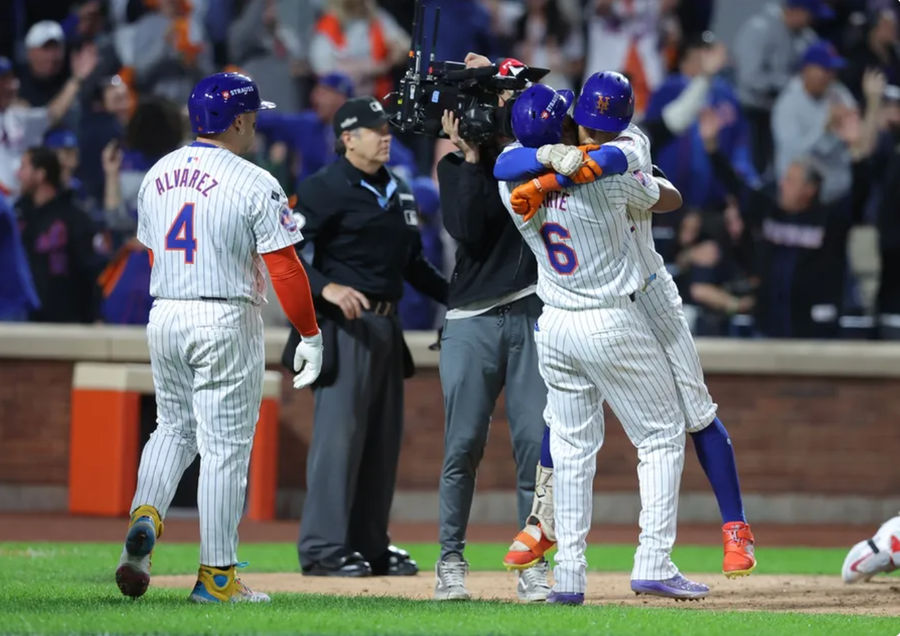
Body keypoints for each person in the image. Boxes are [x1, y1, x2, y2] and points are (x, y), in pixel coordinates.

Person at [495, 85, 758, 587]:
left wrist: (559, 170)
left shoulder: (611, 152)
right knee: (651, 432)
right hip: (613, 308)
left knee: (657, 418)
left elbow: (661, 190)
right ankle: (632, 555)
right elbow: (662, 195)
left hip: (602, 305)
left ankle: (571, 571)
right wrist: (564, 166)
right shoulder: (595, 175)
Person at [114, 72, 323, 604]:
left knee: (172, 429)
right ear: (236, 120)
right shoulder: (254, 180)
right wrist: (309, 333)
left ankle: (146, 514)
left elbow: (155, 252)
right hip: (225, 316)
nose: (255, 121)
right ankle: (217, 579)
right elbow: (286, 270)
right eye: (251, 113)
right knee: (225, 450)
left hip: (166, 313)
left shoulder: (156, 173)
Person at [287, 96, 447, 577]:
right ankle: (321, 547)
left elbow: (413, 264)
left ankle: (370, 545)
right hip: (343, 329)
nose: (385, 136)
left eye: (387, 128)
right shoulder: (322, 187)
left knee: (380, 441)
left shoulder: (398, 188)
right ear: (346, 138)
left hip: (387, 325)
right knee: (339, 441)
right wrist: (327, 287)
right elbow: (286, 254)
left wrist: (462, 295)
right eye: (374, 129)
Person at [432, 94, 548, 600]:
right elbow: (468, 230)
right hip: (472, 319)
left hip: (530, 313)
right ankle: (450, 558)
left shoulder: (533, 160)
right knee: (462, 446)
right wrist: (474, 158)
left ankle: (533, 562)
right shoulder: (457, 167)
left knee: (534, 448)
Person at [702, 106, 849, 338]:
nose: (783, 184)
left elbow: (860, 190)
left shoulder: (829, 221)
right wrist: (712, 146)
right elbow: (735, 185)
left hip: (813, 333)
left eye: (791, 181)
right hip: (767, 327)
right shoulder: (769, 211)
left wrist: (857, 149)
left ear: (809, 189)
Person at [733, 0, 826, 174]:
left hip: (782, 111)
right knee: (756, 169)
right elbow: (749, 78)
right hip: (753, 113)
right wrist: (788, 84)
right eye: (809, 15)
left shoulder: (806, 36)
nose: (811, 20)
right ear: (796, 10)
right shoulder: (759, 28)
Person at [15, 146, 102, 323]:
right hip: (22, 318)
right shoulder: (18, 215)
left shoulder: (74, 218)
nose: (18, 174)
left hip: (65, 321)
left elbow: (89, 271)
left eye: (24, 167)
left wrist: (93, 316)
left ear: (40, 174)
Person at [841, 514, 900, 583]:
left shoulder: (896, 521)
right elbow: (897, 558)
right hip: (862, 557)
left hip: (875, 557)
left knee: (886, 556)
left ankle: (866, 577)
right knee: (849, 578)